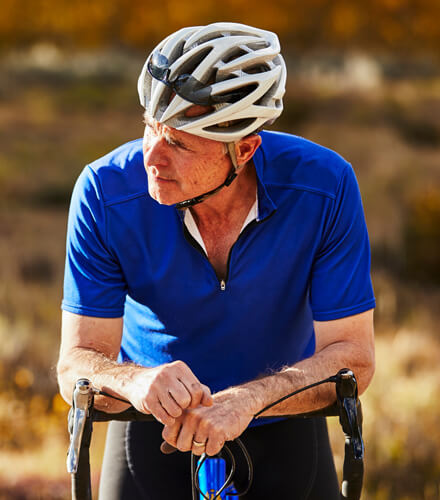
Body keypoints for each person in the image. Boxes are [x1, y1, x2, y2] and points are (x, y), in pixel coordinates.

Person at [57, 22, 375, 499]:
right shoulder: (104, 192)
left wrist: (247, 399)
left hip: (286, 422)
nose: (152, 157)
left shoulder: (324, 187)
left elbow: (354, 359)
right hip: (153, 434)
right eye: (150, 128)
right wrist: (135, 380)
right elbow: (75, 363)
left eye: (179, 143)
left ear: (244, 149)